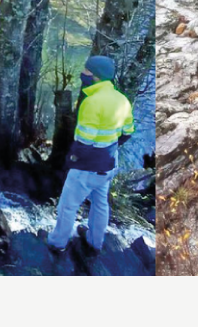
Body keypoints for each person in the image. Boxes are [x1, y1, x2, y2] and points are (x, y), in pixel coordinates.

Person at [47, 55, 134, 253]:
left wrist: (72, 159)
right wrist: (109, 148)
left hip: (87, 166)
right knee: (100, 203)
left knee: (67, 206)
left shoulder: (92, 102)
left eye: (86, 71)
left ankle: (57, 243)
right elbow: (128, 132)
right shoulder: (122, 100)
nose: (83, 74)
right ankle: (95, 242)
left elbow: (85, 140)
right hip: (109, 163)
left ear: (95, 76)